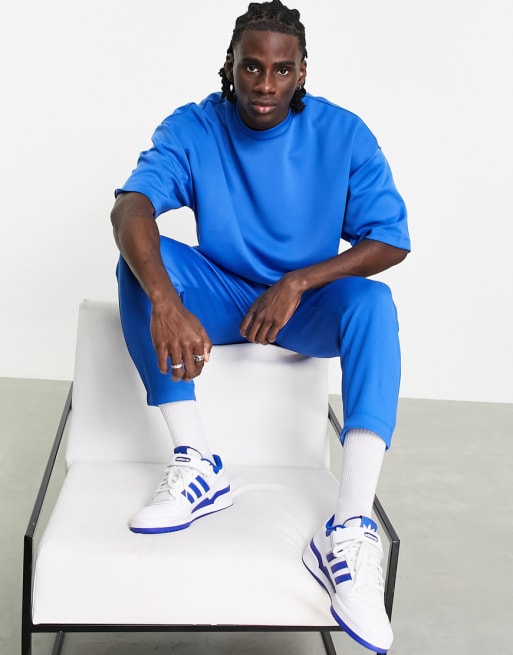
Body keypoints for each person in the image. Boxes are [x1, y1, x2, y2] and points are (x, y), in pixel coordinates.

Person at [110, 1, 410, 651]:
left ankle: (349, 528)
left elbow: (389, 239)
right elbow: (131, 207)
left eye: (280, 70)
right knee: (140, 263)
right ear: (230, 66)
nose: (265, 85)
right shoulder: (195, 126)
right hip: (222, 297)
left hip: (304, 307)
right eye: (252, 67)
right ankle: (198, 463)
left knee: (373, 305)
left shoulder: (342, 133)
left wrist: (297, 281)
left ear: (301, 72)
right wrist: (166, 301)